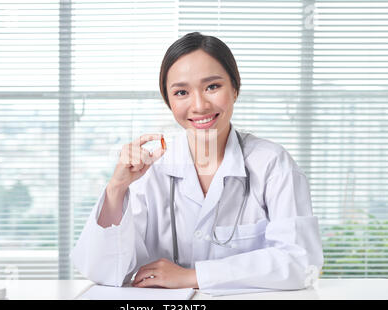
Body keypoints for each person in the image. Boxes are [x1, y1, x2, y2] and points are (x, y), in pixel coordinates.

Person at [71, 32, 324, 294]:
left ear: (235, 89)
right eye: (181, 92)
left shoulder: (272, 164)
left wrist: (192, 276)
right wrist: (116, 188)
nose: (200, 105)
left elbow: (301, 263)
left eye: (212, 87)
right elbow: (104, 272)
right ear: (169, 102)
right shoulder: (150, 169)